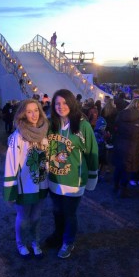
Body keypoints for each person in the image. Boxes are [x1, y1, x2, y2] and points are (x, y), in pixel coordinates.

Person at [46, 89, 99, 258]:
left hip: (73, 181)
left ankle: (68, 241)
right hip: (54, 178)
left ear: (72, 103)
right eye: (57, 103)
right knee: (56, 211)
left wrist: (92, 176)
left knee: (69, 214)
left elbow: (92, 152)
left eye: (65, 102)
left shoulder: (82, 126)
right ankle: (58, 235)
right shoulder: (51, 124)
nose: (61, 106)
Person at [3, 99, 49, 258]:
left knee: (36, 217)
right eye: (29, 111)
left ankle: (35, 242)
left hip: (41, 183)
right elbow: (11, 163)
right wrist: (10, 189)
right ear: (23, 113)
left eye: (36, 110)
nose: (34, 114)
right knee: (23, 218)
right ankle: (20, 243)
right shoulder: (18, 136)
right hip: (24, 186)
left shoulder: (44, 133)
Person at [113, 98, 139, 197]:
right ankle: (122, 190)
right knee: (127, 168)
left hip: (119, 145)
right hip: (132, 147)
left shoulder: (121, 114)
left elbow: (115, 126)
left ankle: (115, 187)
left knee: (118, 167)